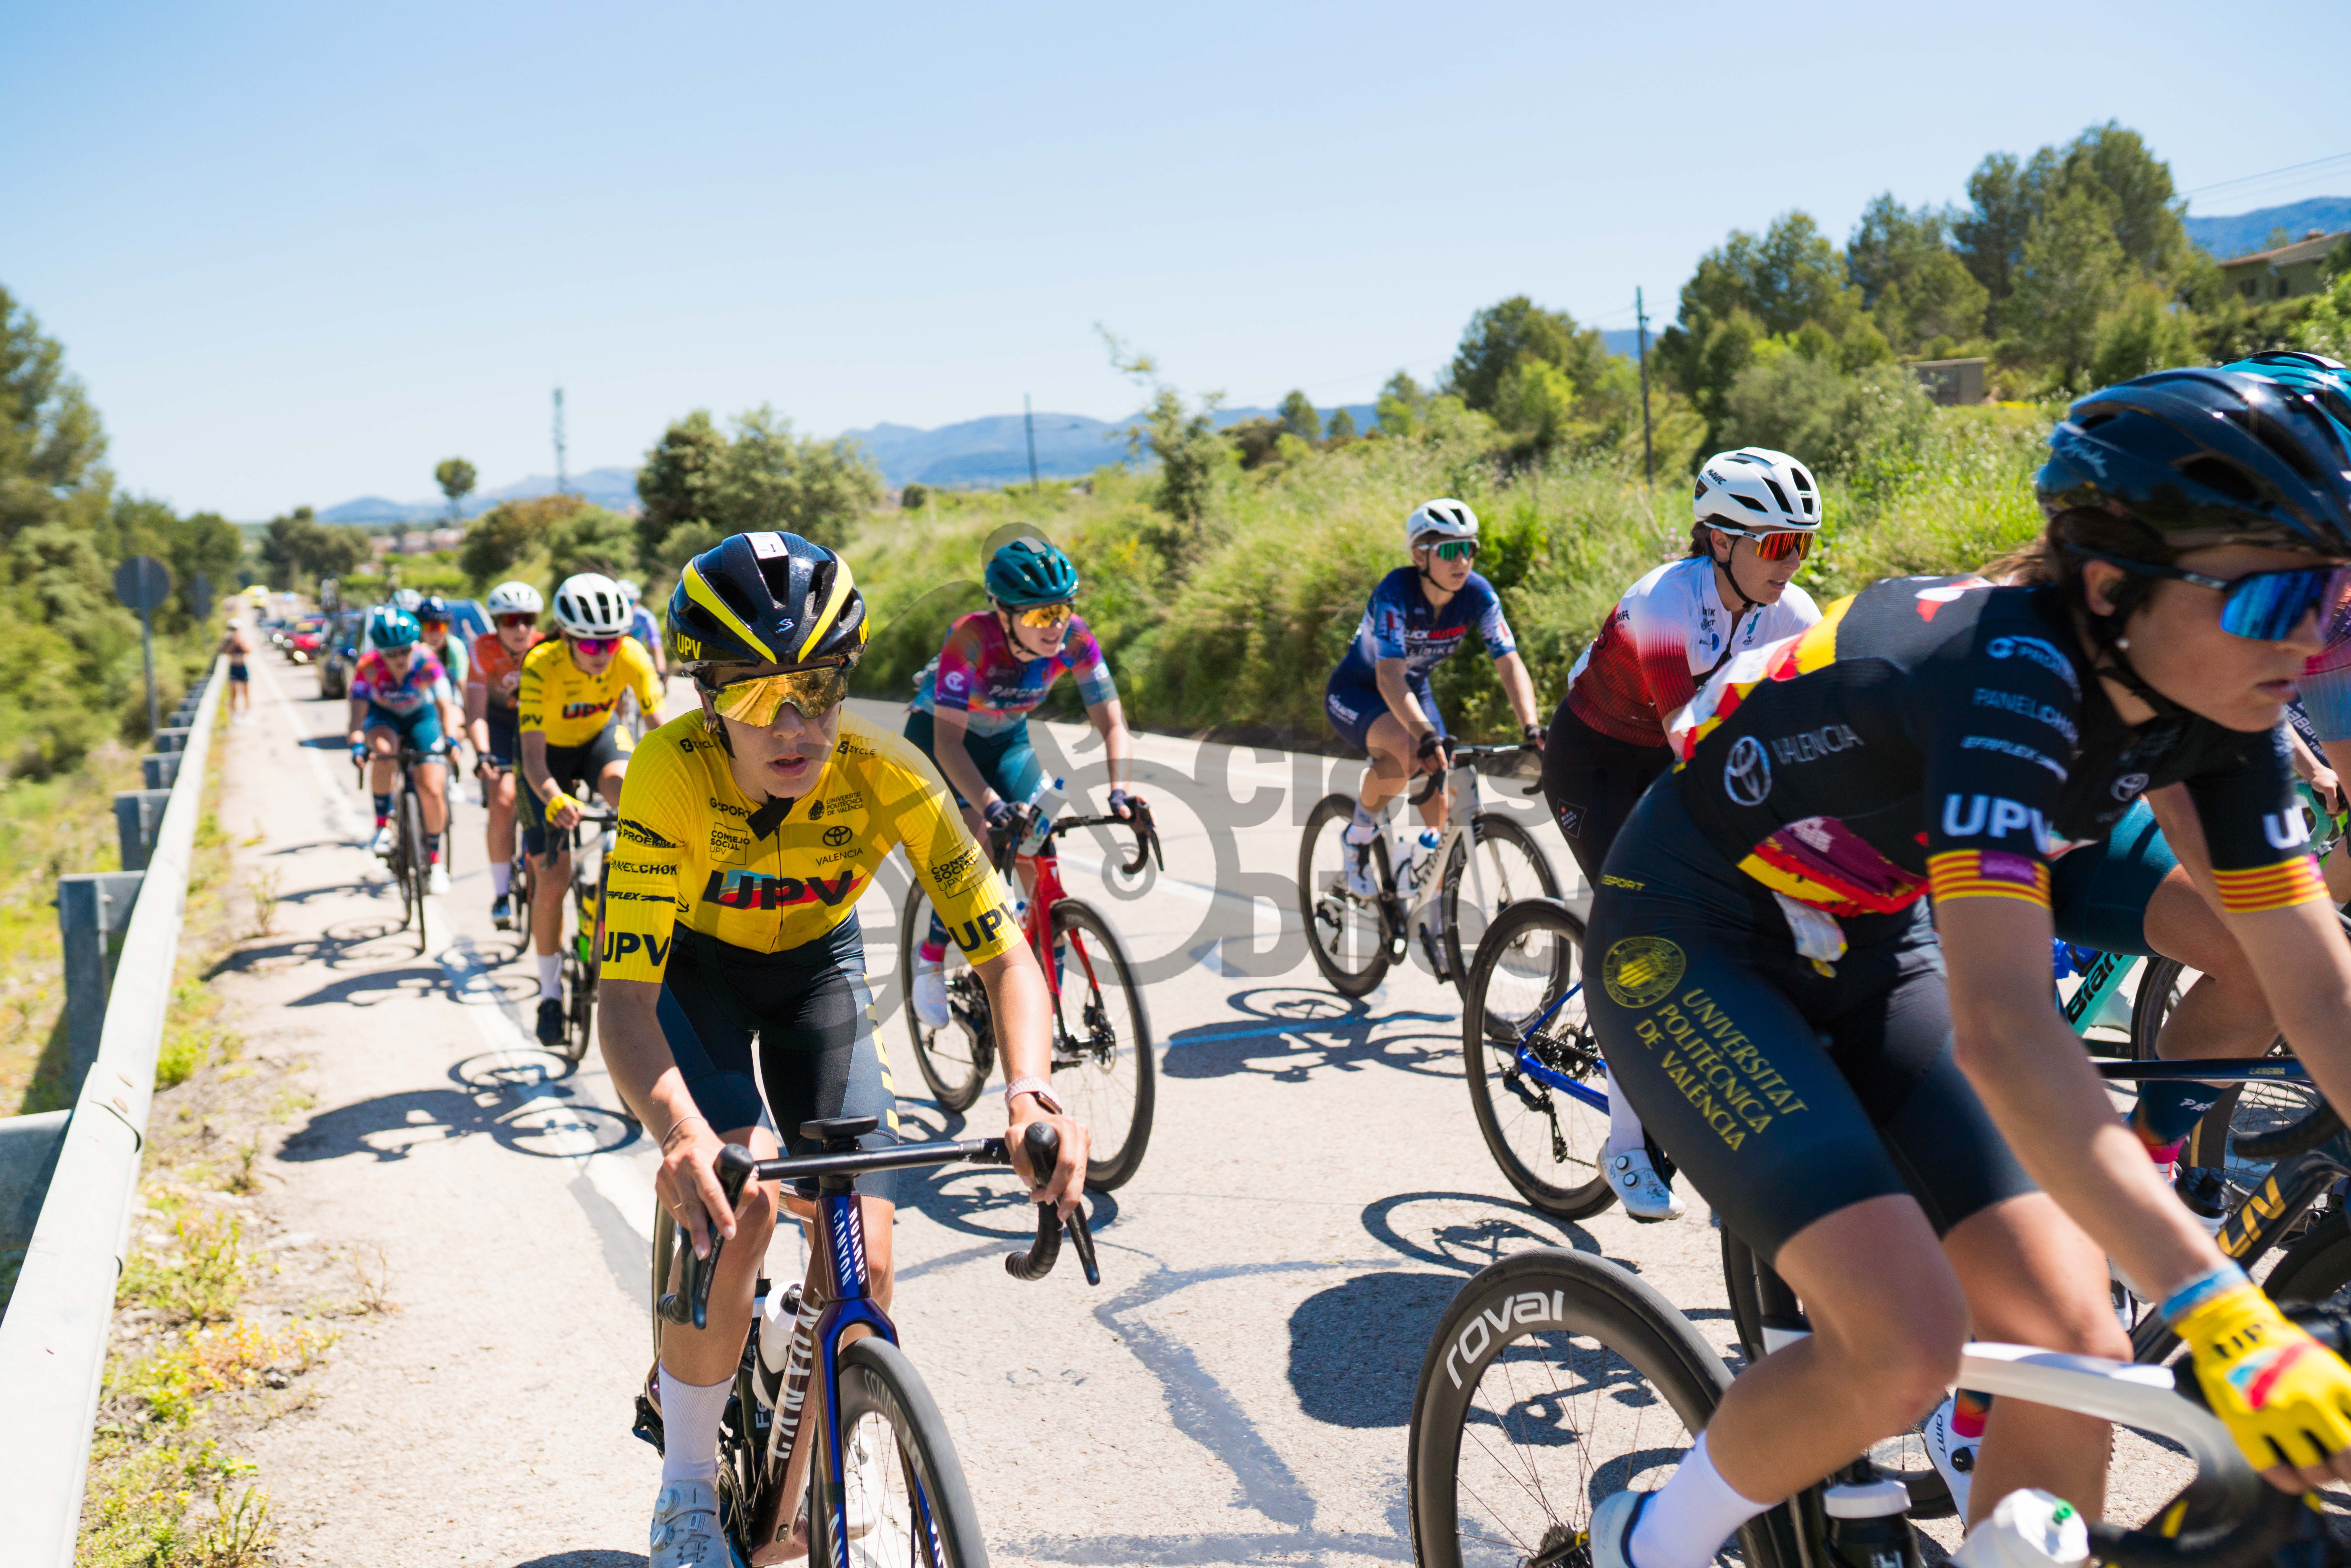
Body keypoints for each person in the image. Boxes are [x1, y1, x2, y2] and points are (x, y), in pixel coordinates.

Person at [1577, 368, 2351, 1568]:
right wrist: (2224, 1319)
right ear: (2112, 587)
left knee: (2075, 1345)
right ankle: (1647, 1545)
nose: (2310, 647)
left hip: (1875, 934)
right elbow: (2004, 1033)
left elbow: (2312, 985)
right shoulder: (2003, 674)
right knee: (1900, 1343)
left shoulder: (2212, 702)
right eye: (2276, 602)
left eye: (2338, 605)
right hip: (1693, 929)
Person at [595, 529, 1089, 1567]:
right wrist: (681, 1132)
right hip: (696, 977)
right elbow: (628, 1004)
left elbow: (1005, 958)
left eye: (817, 686)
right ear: (704, 696)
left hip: (815, 973)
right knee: (740, 1197)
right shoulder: (665, 772)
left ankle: (815, 1472)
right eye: (755, 694)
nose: (795, 723)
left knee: (867, 1253)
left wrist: (1031, 1092)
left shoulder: (886, 766)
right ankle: (686, 1489)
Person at [1541, 447, 1824, 1221]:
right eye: (1776, 544)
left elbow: (1816, 728)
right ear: (1721, 540)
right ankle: (1626, 1142)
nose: (1792, 562)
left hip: (1683, 760)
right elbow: (1690, 746)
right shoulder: (1666, 601)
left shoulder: (1794, 613)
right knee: (1639, 930)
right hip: (1599, 763)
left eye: (1805, 544)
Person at [901, 538, 1141, 1028]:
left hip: (1007, 739)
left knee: (1039, 840)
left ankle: (1040, 978)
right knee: (981, 843)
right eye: (1036, 616)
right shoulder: (969, 638)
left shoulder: (1075, 638)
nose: (1052, 625)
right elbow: (949, 743)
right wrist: (988, 804)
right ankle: (931, 954)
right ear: (1004, 614)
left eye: (1059, 610)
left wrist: (1121, 791)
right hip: (939, 740)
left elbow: (1114, 724)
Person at [1323, 499, 1544, 914]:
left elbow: (1509, 661)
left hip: (1412, 691)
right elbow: (1389, 676)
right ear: (1419, 555)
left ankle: (1431, 912)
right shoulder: (1395, 593)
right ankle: (1356, 838)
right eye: (1448, 550)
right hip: (1360, 690)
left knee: (1441, 798)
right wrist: (1424, 735)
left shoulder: (1478, 594)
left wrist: (1531, 727)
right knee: (1407, 754)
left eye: (1469, 549)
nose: (1461, 560)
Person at [518, 571, 667, 1044]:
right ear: (566, 636)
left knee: (628, 785)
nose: (603, 654)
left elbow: (661, 732)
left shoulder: (630, 655)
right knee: (554, 879)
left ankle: (621, 860)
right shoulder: (541, 664)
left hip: (598, 742)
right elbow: (533, 761)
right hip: (549, 762)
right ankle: (547, 994)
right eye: (591, 645)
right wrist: (555, 798)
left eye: (611, 641)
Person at [346, 606, 462, 892]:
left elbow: (447, 705)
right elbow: (356, 720)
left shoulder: (427, 659)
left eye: (405, 651)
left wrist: (452, 738)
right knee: (385, 752)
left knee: (433, 788)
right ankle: (383, 826)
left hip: (421, 717)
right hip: (383, 718)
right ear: (380, 652)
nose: (400, 659)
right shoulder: (368, 667)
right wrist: (359, 745)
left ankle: (436, 862)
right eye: (391, 653)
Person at [466, 581, 544, 930]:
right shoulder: (482, 650)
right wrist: (483, 754)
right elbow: (476, 712)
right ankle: (501, 895)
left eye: (527, 619)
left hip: (538, 729)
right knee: (502, 800)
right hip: (499, 730)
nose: (521, 628)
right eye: (511, 621)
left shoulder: (545, 648)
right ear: (497, 624)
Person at [618, 579, 667, 679]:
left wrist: (662, 671)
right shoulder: (610, 617)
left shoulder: (645, 617)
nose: (626, 606)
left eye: (629, 601)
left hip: (640, 660)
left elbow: (655, 644)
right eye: (621, 602)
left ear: (637, 601)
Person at [220, 617, 254, 717]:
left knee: (246, 692)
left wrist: (240, 642)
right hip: (234, 667)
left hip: (243, 666)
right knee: (233, 693)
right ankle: (234, 714)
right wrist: (233, 643)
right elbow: (225, 653)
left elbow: (249, 651)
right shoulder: (228, 641)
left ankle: (248, 713)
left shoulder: (242, 640)